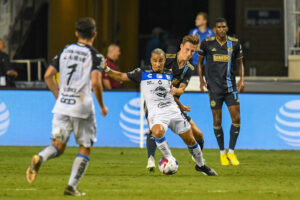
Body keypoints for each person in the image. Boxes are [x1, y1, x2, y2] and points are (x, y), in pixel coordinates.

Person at [26, 17, 108, 196]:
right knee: (85, 147)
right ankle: (71, 187)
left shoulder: (64, 51)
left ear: (76, 33)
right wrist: (102, 105)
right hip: (82, 107)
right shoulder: (96, 56)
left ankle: (40, 157)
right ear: (94, 34)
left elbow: (48, 75)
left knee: (58, 146)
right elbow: (95, 82)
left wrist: (59, 95)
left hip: (62, 105)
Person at [103, 48, 217, 176]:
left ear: (164, 61)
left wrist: (181, 106)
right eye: (155, 61)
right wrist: (107, 69)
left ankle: (201, 165)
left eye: (161, 61)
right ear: (150, 60)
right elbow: (120, 76)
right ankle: (169, 158)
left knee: (190, 140)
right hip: (156, 113)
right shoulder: (142, 72)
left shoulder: (169, 73)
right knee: (157, 132)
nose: (157, 64)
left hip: (173, 110)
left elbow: (171, 93)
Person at [145, 35, 206, 171]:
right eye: (187, 50)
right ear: (181, 47)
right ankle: (151, 159)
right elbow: (154, 82)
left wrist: (177, 97)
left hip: (172, 103)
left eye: (193, 52)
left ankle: (198, 159)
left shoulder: (189, 68)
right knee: (154, 130)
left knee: (198, 134)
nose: (189, 54)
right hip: (154, 100)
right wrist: (174, 95)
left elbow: (180, 90)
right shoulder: (167, 59)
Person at [198, 18, 244, 166]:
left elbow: (240, 63)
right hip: (214, 88)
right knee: (217, 121)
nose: (222, 29)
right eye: (219, 27)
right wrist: (201, 80)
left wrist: (242, 80)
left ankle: (231, 152)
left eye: (224, 26)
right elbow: (199, 63)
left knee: (236, 118)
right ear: (215, 29)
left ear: (227, 28)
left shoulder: (235, 43)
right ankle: (222, 152)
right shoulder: (207, 43)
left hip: (230, 87)